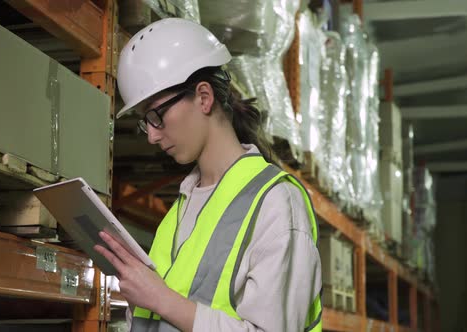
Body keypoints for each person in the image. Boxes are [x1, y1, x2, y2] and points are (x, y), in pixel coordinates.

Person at [94, 17, 322, 332]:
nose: (151, 136)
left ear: (203, 97)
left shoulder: (276, 202)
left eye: (156, 115)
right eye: (144, 122)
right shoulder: (180, 211)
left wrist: (160, 298)